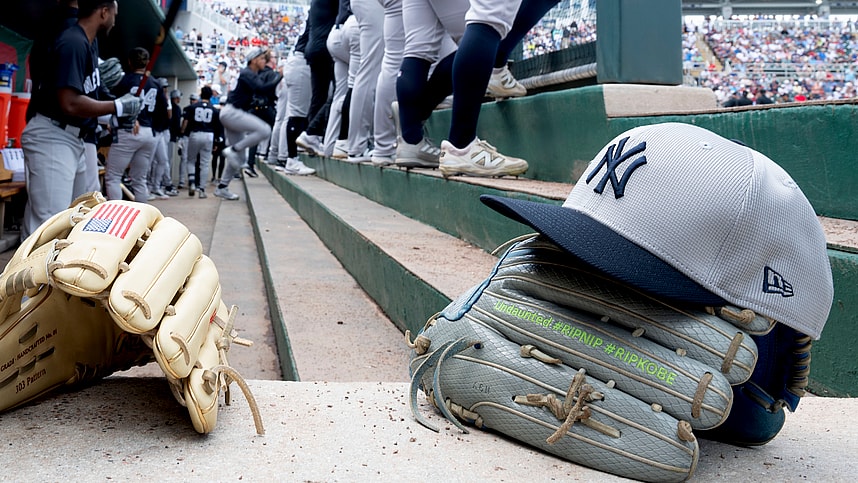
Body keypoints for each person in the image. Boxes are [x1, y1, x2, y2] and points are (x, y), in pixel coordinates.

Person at [21, 0, 141, 238]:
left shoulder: (88, 41)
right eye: (114, 14)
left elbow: (91, 93)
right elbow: (70, 102)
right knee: (50, 225)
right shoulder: (72, 41)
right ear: (103, 12)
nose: (115, 20)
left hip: (74, 138)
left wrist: (115, 114)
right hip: (53, 135)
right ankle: (33, 264)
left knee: (78, 219)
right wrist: (117, 106)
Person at [217, 47, 282, 200]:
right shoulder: (247, 73)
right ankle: (233, 149)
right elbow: (262, 89)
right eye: (261, 58)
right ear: (253, 60)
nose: (264, 61)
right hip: (232, 112)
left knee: (238, 158)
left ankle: (222, 187)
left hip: (232, 113)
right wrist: (280, 75)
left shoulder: (252, 74)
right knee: (265, 130)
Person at [103, 46, 162, 203]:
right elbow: (162, 112)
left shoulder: (124, 80)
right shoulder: (155, 82)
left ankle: (115, 215)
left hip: (128, 130)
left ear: (129, 62)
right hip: (148, 132)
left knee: (113, 177)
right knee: (140, 179)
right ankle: (142, 216)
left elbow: (111, 103)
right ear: (147, 62)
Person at [180, 86, 221, 199]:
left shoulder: (193, 107)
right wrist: (216, 142)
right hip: (209, 135)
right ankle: (202, 189)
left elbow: (186, 122)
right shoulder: (214, 109)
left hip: (195, 133)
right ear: (210, 96)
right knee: (205, 163)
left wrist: (182, 133)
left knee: (191, 160)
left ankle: (192, 182)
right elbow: (217, 127)